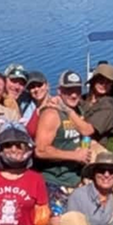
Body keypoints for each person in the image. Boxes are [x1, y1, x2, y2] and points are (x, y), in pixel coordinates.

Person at [34, 70, 95, 214]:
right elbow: (40, 150)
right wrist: (74, 156)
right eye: (69, 91)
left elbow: (87, 131)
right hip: (54, 182)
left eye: (77, 90)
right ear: (60, 91)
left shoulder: (78, 111)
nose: (74, 95)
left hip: (76, 181)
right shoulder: (51, 114)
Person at [82, 62, 113, 143]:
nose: (104, 85)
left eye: (108, 83)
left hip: (93, 150)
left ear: (111, 86)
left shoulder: (107, 107)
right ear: (93, 81)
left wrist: (69, 112)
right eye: (100, 81)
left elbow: (88, 130)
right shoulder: (82, 99)